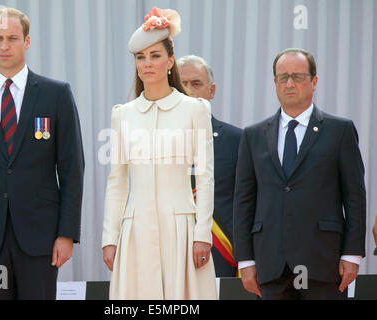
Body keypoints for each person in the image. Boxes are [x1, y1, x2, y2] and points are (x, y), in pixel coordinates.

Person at [0, 8, 85, 300]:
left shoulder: (56, 94)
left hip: (41, 236)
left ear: (27, 41)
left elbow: (72, 167)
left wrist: (66, 233)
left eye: (12, 38)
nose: (4, 45)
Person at [101, 7, 217, 300]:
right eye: (141, 57)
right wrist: (109, 239)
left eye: (154, 56)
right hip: (135, 230)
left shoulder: (195, 109)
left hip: (181, 230)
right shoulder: (122, 115)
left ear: (170, 61)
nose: (147, 64)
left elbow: (204, 177)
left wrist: (202, 234)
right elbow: (117, 183)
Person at [233, 48, 366, 300]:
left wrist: (351, 255)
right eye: (283, 77)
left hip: (322, 262)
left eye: (297, 76)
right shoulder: (253, 136)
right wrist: (245, 260)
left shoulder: (340, 131)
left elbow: (355, 196)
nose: (289, 83)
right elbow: (243, 201)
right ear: (274, 83)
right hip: (270, 265)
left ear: (314, 81)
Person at [177, 55, 242, 278]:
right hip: (168, 254)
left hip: (220, 256)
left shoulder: (238, 141)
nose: (188, 91)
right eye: (181, 84)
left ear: (211, 91)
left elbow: (247, 203)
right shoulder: (155, 141)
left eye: (196, 84)